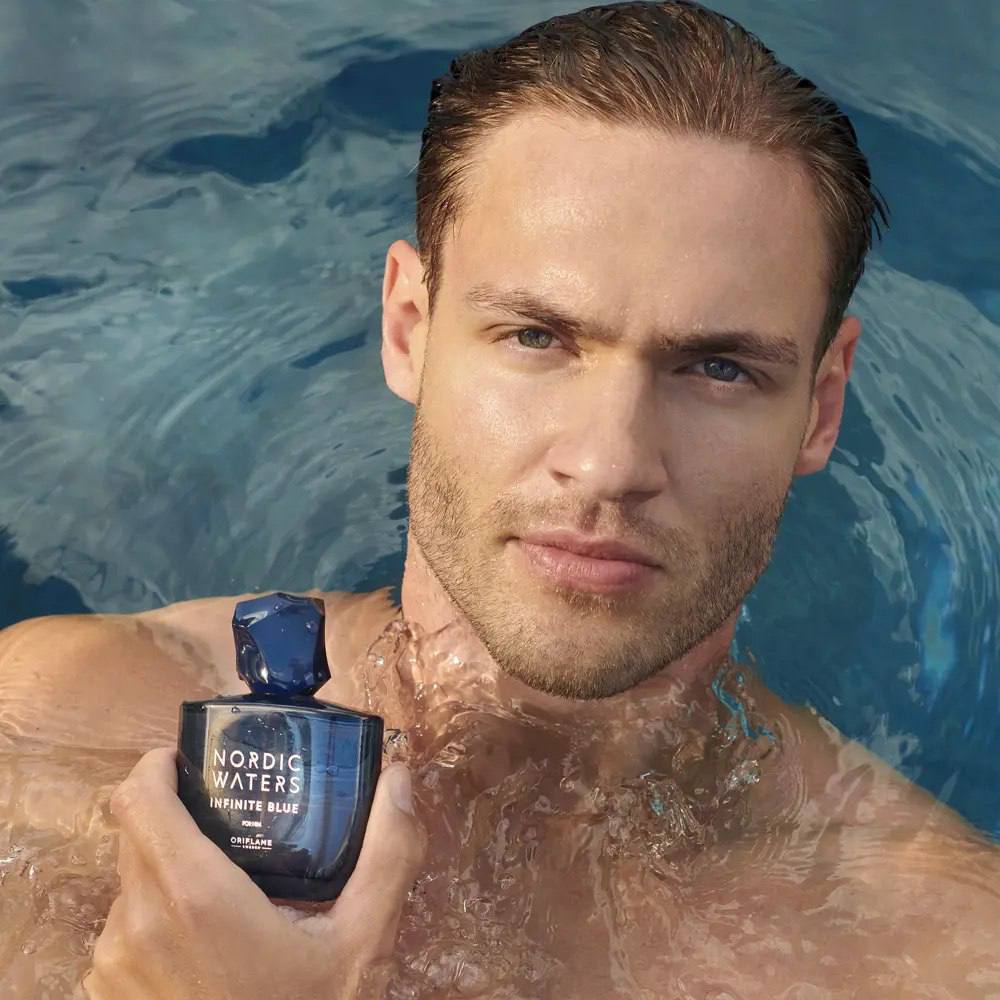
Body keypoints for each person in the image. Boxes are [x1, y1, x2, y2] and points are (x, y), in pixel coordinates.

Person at [2, 2, 998, 997]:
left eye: (718, 367)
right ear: (408, 328)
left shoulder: (938, 950)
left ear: (821, 407)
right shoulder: (52, 732)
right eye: (536, 336)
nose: (608, 463)